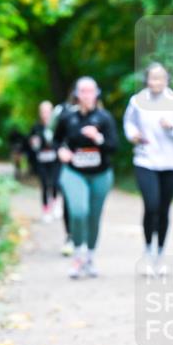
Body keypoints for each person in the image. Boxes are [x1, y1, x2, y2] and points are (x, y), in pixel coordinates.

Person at [123, 63, 173, 275]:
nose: (156, 82)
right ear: (147, 80)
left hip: (170, 163)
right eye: (153, 78)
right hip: (145, 160)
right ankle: (147, 252)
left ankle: (160, 254)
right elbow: (129, 124)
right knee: (151, 205)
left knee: (163, 210)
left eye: (160, 78)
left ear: (167, 80)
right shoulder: (137, 101)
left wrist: (172, 127)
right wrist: (133, 134)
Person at [54, 76, 118, 279]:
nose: (87, 95)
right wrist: (61, 151)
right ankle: (78, 253)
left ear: (96, 93)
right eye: (83, 91)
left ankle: (90, 256)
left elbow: (114, 146)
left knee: (94, 216)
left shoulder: (104, 118)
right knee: (79, 211)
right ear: (76, 94)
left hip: (100, 174)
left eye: (90, 91)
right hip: (74, 172)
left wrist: (97, 138)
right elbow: (56, 140)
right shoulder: (67, 117)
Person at [51, 96, 78, 254]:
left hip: (93, 170)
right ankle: (70, 236)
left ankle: (83, 239)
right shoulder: (63, 112)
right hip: (67, 165)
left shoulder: (99, 113)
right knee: (68, 199)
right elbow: (53, 135)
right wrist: (60, 149)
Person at [29, 101, 62, 223]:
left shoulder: (56, 126)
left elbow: (61, 141)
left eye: (48, 111)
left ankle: (55, 203)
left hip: (55, 160)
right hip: (42, 161)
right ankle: (46, 211)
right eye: (43, 111)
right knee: (44, 185)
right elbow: (32, 146)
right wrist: (34, 144)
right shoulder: (36, 127)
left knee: (55, 183)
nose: (45, 114)